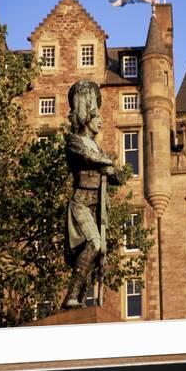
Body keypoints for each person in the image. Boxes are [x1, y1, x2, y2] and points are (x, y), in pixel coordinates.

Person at [63, 80, 122, 309]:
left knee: (96, 255)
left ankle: (76, 300)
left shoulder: (98, 148)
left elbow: (117, 176)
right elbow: (87, 156)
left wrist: (109, 167)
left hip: (97, 207)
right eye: (97, 114)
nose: (102, 119)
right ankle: (71, 297)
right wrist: (105, 163)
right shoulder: (75, 141)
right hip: (81, 204)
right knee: (94, 244)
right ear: (87, 113)